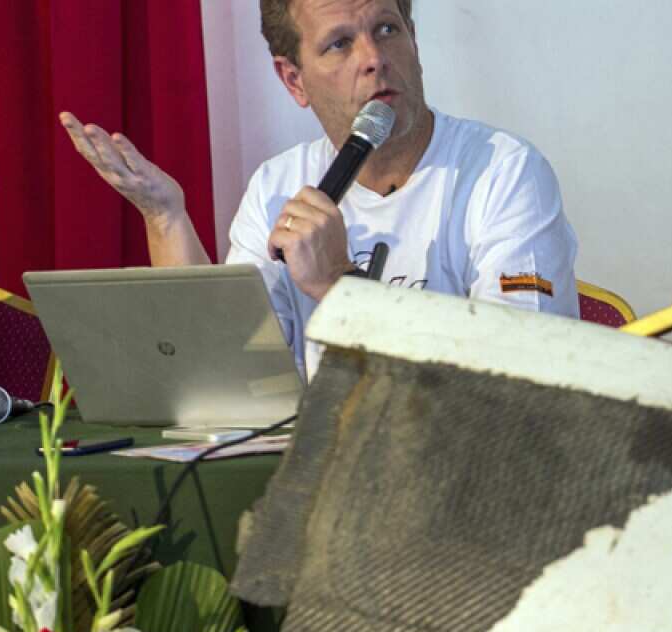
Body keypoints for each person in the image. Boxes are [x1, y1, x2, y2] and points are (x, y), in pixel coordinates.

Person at [59, 0, 579, 377]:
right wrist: (166, 218)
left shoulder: (504, 171)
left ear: (415, 42)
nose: (373, 58)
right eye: (339, 44)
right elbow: (229, 377)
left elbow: (521, 374)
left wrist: (338, 283)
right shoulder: (275, 187)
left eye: (387, 29)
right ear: (294, 81)